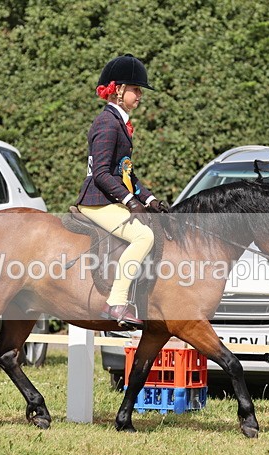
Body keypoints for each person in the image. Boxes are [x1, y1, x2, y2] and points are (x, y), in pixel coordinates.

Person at [74, 54, 168, 329]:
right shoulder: (107, 123)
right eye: (136, 89)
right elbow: (101, 173)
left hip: (108, 198)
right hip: (97, 201)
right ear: (119, 90)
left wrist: (149, 199)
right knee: (143, 235)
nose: (140, 95)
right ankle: (116, 302)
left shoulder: (119, 122)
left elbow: (126, 173)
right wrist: (129, 200)